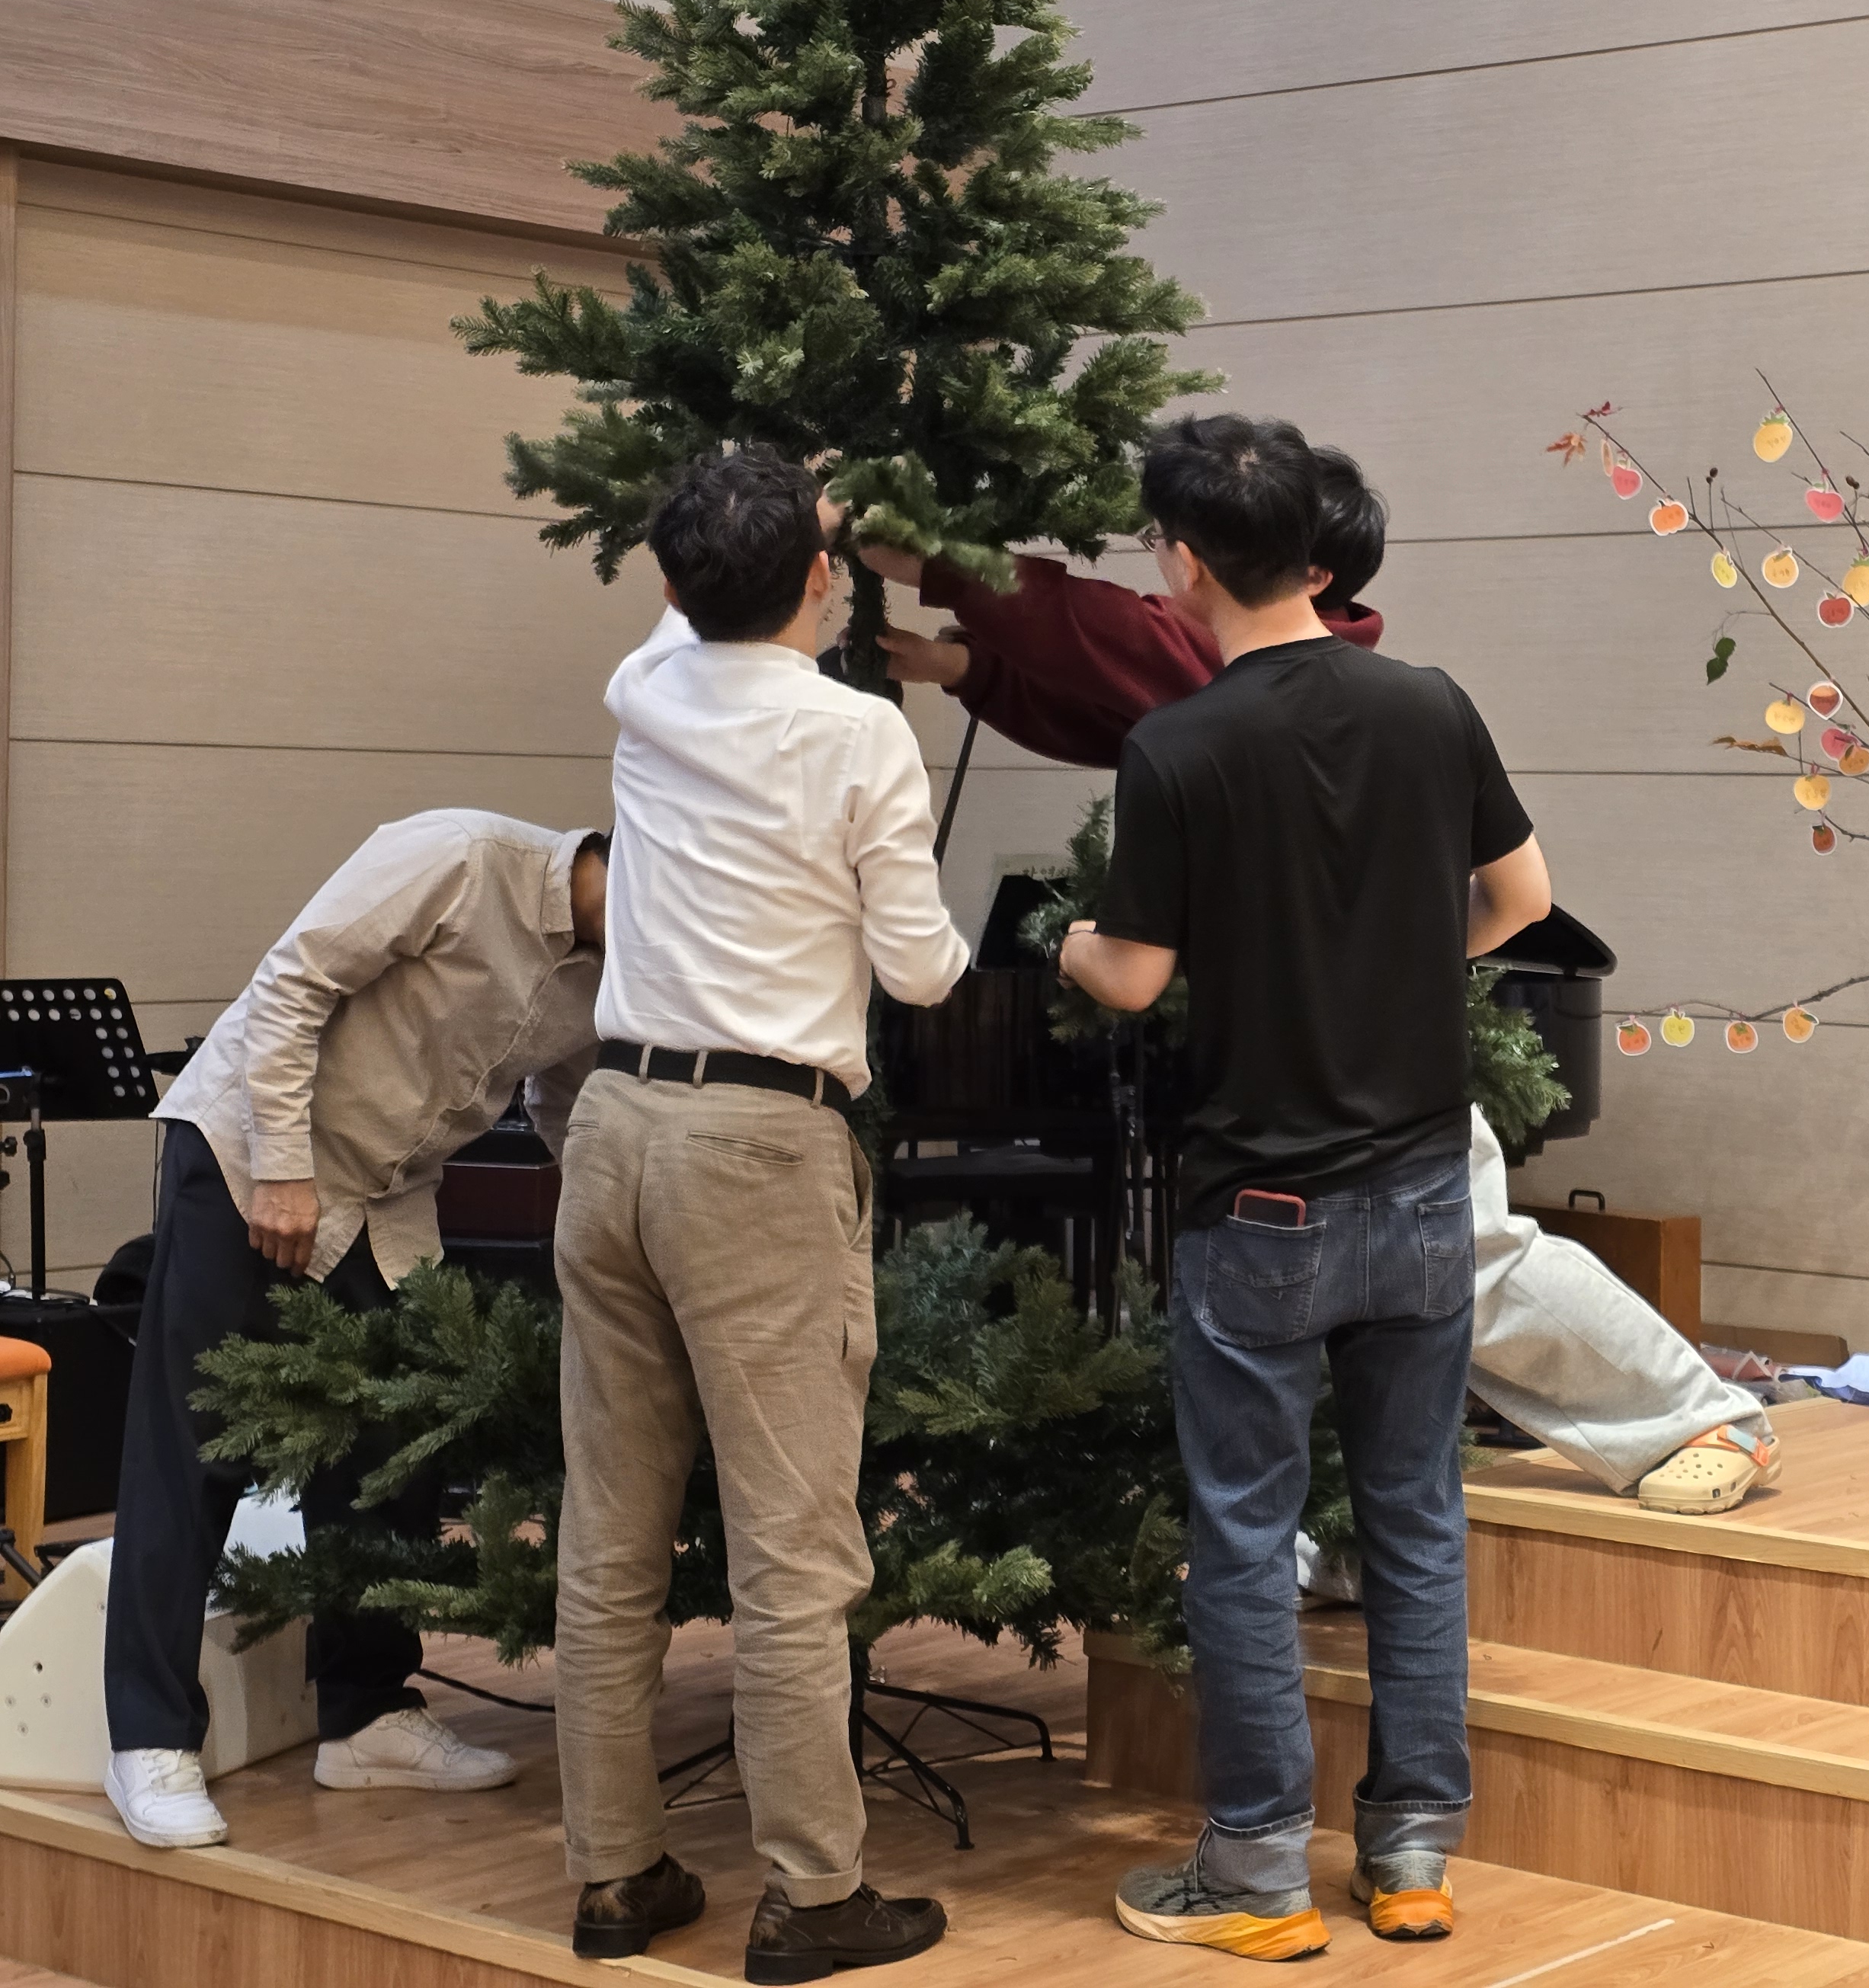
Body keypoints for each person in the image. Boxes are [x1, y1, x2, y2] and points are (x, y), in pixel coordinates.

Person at [862, 448, 1781, 1518]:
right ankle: (1349, 1533)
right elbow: (1117, 686)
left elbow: (1093, 634)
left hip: (1346, 1087)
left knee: (1479, 1261)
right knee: (1439, 1300)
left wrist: (924, 563)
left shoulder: (1235, 683)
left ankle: (1699, 1413)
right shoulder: (1355, 687)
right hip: (1358, 1077)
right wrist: (963, 667)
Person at [1061, 416, 1550, 1960]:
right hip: (1420, 1193)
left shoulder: (1180, 746)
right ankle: (1410, 1857)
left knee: (1243, 1537)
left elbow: (1134, 978)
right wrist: (1396, 960)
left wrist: (1069, 946)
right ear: (1318, 555)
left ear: (1182, 563)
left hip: (1259, 1213)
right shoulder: (1428, 703)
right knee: (1415, 1521)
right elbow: (1521, 898)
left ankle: (1260, 1872)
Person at [552, 447, 968, 1979]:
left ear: (669, 584)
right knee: (791, 1546)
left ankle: (617, 1879)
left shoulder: (646, 694)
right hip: (758, 1149)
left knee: (609, 1531)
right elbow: (918, 969)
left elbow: (691, 608)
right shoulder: (859, 731)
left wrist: (786, 532)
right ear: (823, 577)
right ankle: (812, 1893)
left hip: (613, 1130)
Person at [105, 811, 605, 1849]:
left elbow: (567, 1101)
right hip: (252, 1151)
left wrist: (612, 1225)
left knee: (398, 1449)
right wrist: (284, 1168)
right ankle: (148, 1740)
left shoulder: (614, 970)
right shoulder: (462, 857)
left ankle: (367, 1717)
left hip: (386, 1194)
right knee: (197, 1448)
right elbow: (293, 982)